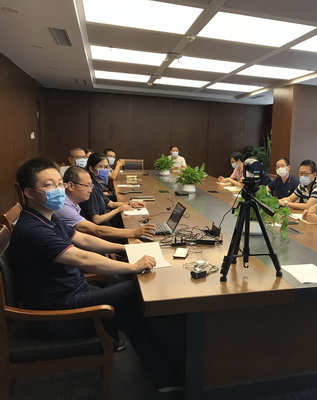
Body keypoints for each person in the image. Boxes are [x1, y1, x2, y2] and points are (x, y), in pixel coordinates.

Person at [10, 157, 186, 391]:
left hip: (73, 294)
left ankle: (166, 375)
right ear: (29, 193)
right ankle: (171, 365)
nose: (58, 189)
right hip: (59, 315)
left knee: (130, 307)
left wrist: (125, 249)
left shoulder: (46, 217)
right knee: (136, 288)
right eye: (49, 185)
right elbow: (82, 258)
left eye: (59, 183)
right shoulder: (33, 229)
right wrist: (132, 266)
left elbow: (83, 240)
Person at [56, 166, 156, 240]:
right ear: (71, 186)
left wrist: (129, 204)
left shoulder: (73, 200)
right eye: (87, 186)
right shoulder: (64, 207)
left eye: (91, 186)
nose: (90, 190)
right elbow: (96, 230)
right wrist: (134, 232)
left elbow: (110, 203)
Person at [80, 153, 146, 226]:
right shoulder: (92, 188)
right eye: (101, 167)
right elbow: (96, 220)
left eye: (106, 167)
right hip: (101, 227)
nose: (104, 170)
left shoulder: (97, 185)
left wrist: (131, 203)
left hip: (106, 220)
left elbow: (111, 204)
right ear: (91, 169)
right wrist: (119, 209)